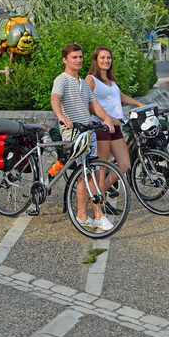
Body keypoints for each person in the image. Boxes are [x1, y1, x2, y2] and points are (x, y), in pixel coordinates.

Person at [50, 43, 117, 231]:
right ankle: (99, 215)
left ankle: (81, 215)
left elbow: (94, 104)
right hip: (73, 133)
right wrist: (61, 117)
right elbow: (55, 99)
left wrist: (106, 119)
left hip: (88, 132)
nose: (79, 60)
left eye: (80, 57)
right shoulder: (61, 80)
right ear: (65, 60)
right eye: (74, 57)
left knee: (85, 174)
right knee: (89, 175)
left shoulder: (84, 84)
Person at [85, 46, 143, 193]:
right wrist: (107, 118)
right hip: (101, 126)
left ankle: (100, 192)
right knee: (102, 167)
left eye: (109, 58)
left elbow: (120, 96)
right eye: (103, 58)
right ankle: (99, 205)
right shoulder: (91, 79)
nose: (106, 60)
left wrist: (138, 104)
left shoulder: (110, 80)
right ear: (96, 60)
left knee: (125, 165)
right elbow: (88, 104)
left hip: (116, 127)